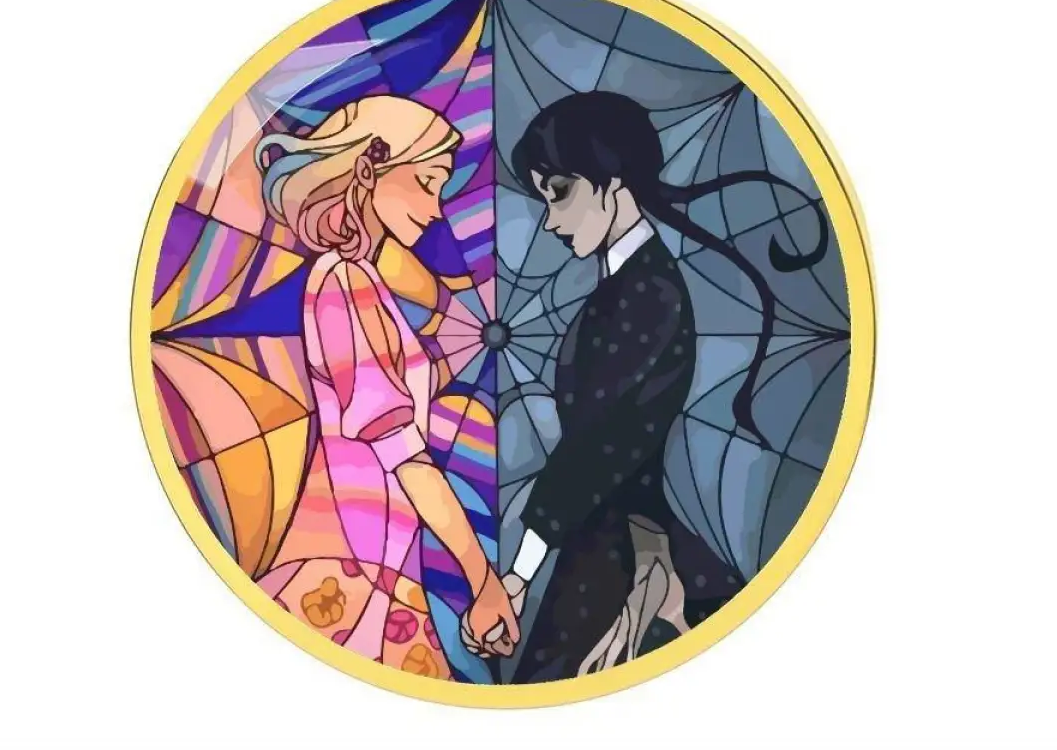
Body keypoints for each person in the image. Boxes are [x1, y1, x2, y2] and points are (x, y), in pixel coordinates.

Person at [489, 91, 827, 681]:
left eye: (560, 192)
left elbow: (598, 447)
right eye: (543, 199)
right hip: (612, 543)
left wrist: (518, 575)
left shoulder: (647, 297)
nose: (550, 220)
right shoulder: (625, 291)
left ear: (613, 183)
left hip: (614, 553)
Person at [253, 96, 518, 676]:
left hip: (379, 554)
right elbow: (407, 457)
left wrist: (451, 321)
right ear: (367, 170)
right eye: (426, 183)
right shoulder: (346, 286)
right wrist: (483, 582)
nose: (436, 209)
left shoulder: (359, 279)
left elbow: (409, 384)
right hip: (353, 563)